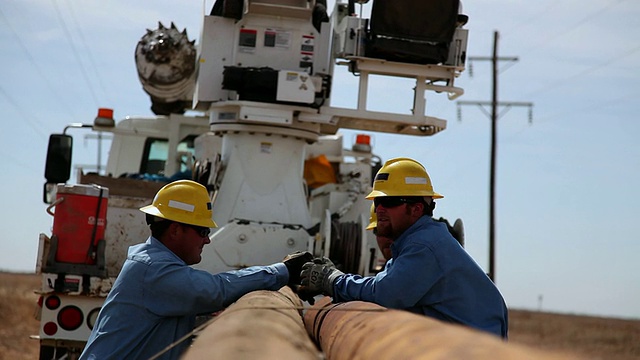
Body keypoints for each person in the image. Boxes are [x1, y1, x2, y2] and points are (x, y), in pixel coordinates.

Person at [80, 180, 312, 360]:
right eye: (202, 231)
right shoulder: (154, 269)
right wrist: (283, 271)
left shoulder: (152, 263)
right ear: (175, 230)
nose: (207, 241)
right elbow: (216, 290)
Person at [300, 158, 509, 339]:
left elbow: (383, 294)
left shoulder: (424, 246)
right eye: (378, 200)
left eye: (389, 201)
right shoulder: (415, 243)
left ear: (417, 208)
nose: (379, 208)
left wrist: (332, 279)